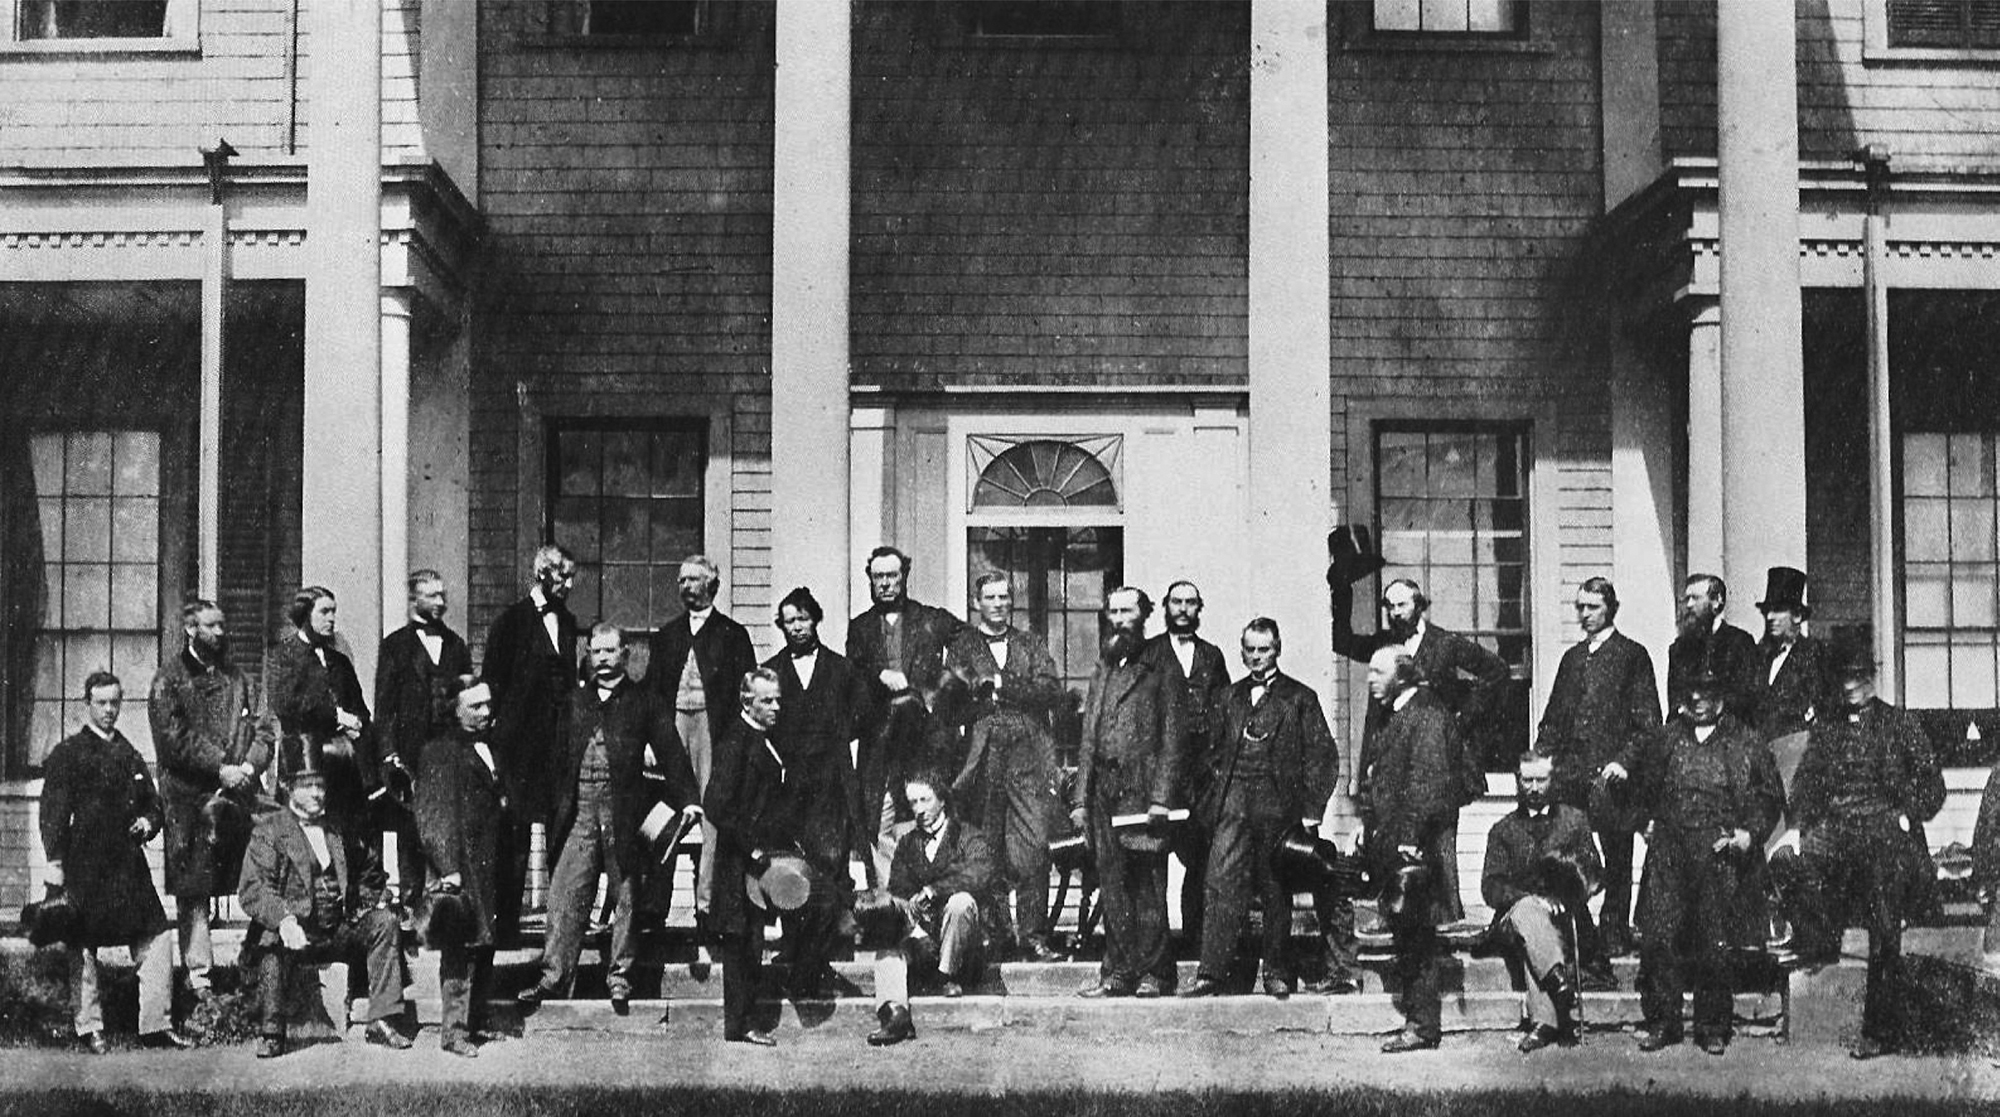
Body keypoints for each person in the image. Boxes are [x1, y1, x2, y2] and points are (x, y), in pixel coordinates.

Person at [520, 624, 700, 1012]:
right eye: (595, 651)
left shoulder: (645, 701)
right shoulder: (573, 701)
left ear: (626, 654)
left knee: (627, 897)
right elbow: (552, 759)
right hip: (579, 812)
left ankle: (620, 978)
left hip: (623, 812)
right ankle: (553, 978)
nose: (602, 658)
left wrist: (688, 799)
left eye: (609, 651)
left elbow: (671, 751)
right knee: (565, 894)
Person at [1612, 670, 1783, 1055]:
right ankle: (1663, 1022)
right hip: (1669, 848)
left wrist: (1749, 834)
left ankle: (1712, 1027)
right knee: (1658, 936)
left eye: (1707, 691)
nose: (1698, 699)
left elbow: (1768, 796)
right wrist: (1645, 822)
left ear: (1721, 696)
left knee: (1714, 940)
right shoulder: (1667, 737)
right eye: (1692, 692)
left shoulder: (1745, 740)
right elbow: (1638, 787)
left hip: (1718, 848)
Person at [1785, 650, 1946, 1059]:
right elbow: (1805, 782)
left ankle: (1879, 1030)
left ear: (1872, 679)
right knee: (1797, 862)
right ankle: (1817, 945)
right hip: (1838, 830)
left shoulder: (1900, 724)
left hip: (1885, 832)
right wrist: (1800, 826)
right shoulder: (1828, 728)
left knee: (1885, 927)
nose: (1850, 685)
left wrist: (1909, 816)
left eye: (1857, 677)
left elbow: (1932, 784)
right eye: (1844, 677)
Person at [1183, 617, 1348, 999]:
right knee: (1220, 884)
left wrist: (1310, 811)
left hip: (1279, 809)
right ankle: (1211, 973)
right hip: (1233, 806)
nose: (1256, 657)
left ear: (1277, 650)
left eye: (1264, 650)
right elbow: (1207, 755)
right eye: (1250, 650)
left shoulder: (1299, 698)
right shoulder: (1228, 697)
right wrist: (1209, 806)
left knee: (1276, 891)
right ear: (1242, 652)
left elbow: (1324, 757)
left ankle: (1276, 973)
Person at [1332, 575, 1511, 924]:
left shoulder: (1445, 644)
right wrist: (1366, 765)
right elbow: (1371, 709)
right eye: (1389, 607)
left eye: (1402, 605)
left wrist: (1459, 721)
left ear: (1419, 605)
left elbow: (1497, 671)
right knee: (1398, 846)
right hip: (1396, 758)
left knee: (1440, 846)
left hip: (1439, 760)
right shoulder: (1384, 648)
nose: (1395, 613)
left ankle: (1447, 924)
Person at [39, 671, 190, 1054]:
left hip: (127, 867)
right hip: (86, 866)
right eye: (102, 703)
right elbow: (53, 814)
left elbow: (153, 803)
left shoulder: (129, 753)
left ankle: (155, 1024)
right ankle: (89, 1027)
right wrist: (55, 862)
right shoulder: (67, 754)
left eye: (115, 703)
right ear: (86, 704)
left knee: (156, 935)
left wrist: (149, 821)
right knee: (83, 945)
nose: (109, 710)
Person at [238, 739, 410, 1058]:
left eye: (320, 785)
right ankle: (272, 1031)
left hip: (334, 931)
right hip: (292, 935)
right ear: (288, 787)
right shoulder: (269, 830)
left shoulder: (337, 829)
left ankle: (383, 1018)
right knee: (269, 938)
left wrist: (376, 901)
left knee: (383, 923)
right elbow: (253, 889)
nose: (318, 793)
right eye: (308, 786)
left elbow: (369, 872)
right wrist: (286, 920)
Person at [1533, 576, 1662, 975]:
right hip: (1572, 776)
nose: (1584, 615)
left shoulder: (1632, 656)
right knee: (1568, 853)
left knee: (1617, 856)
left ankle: (1614, 931)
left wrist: (1624, 760)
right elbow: (1553, 719)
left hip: (1612, 780)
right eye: (1580, 607)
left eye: (1592, 607)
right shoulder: (1571, 659)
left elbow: (1648, 724)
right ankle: (1578, 932)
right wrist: (1541, 758)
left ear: (1611, 609)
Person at [150, 597, 274, 1002]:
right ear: (191, 629)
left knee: (262, 873)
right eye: (211, 626)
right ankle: (199, 978)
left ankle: (252, 963)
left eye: (222, 626)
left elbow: (265, 727)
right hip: (189, 800)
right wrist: (221, 766)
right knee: (195, 889)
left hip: (239, 794)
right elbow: (173, 740)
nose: (221, 633)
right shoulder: (169, 680)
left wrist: (250, 768)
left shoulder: (239, 679)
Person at [944, 573, 1066, 962]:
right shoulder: (963, 645)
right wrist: (975, 700)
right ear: (976, 602)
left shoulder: (1030, 643)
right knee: (987, 845)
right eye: (990, 598)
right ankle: (995, 937)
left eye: (1004, 597)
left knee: (1033, 843)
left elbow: (1050, 690)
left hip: (1026, 752)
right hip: (981, 755)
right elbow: (950, 702)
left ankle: (1033, 934)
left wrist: (1000, 682)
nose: (998, 604)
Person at [1069, 587, 1184, 998]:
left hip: (1142, 790)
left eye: (1127, 611)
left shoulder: (1161, 666)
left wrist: (1161, 798)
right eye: (1112, 611)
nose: (1118, 619)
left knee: (1148, 885)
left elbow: (1173, 738)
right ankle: (1117, 973)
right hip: (1104, 791)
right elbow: (1088, 736)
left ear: (1145, 615)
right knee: (1112, 884)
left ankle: (1156, 973)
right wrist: (1081, 798)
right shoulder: (1103, 665)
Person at [761, 586, 873, 997]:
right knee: (793, 866)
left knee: (828, 862)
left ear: (816, 620)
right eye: (789, 621)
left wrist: (837, 737)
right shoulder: (772, 670)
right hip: (790, 784)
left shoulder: (841, 670)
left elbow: (863, 714)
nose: (797, 628)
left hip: (830, 782)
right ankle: (794, 947)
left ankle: (824, 952)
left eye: (803, 619)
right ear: (781, 626)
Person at [647, 553, 757, 922]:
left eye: (693, 579)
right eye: (681, 580)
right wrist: (651, 740)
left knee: (713, 812)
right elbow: (652, 692)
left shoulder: (733, 635)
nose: (685, 586)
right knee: (668, 810)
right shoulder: (667, 636)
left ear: (713, 585)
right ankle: (655, 905)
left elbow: (746, 691)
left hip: (715, 733)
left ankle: (708, 906)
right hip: (672, 730)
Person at [848, 546, 967, 884]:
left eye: (892, 576)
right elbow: (852, 672)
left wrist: (940, 690)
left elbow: (970, 644)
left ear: (904, 577)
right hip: (880, 746)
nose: (885, 583)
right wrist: (879, 675)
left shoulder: (930, 619)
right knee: (881, 824)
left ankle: (926, 905)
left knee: (925, 818)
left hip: (924, 742)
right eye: (878, 577)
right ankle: (891, 911)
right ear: (870, 580)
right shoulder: (860, 628)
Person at [481, 544, 581, 941]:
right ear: (543, 574)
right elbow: (493, 683)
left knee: (559, 830)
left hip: (559, 747)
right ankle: (505, 926)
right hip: (517, 749)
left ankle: (560, 926)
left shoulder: (569, 622)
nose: (570, 585)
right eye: (564, 577)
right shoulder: (510, 622)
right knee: (515, 837)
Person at [1361, 647, 1456, 1053]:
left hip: (1416, 849)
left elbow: (1427, 783)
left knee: (1417, 939)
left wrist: (1409, 841)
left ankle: (1423, 1025)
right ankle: (1418, 1021)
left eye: (1378, 671)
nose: (1370, 679)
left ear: (1401, 675)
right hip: (1397, 842)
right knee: (1408, 937)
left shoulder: (1426, 714)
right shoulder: (1398, 714)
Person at [416, 676, 516, 1058]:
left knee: (484, 944)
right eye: (476, 706)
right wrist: (447, 867)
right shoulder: (440, 751)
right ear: (454, 710)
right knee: (460, 948)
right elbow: (432, 814)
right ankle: (453, 1032)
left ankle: (474, 1023)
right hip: (462, 865)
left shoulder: (491, 745)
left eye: (488, 704)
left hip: (490, 863)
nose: (486, 712)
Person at [866, 770, 996, 1046]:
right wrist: (912, 930)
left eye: (925, 800)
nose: (919, 809)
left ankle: (946, 976)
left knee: (961, 902)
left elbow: (980, 873)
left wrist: (934, 890)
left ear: (942, 801)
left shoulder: (968, 836)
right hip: (923, 940)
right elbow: (899, 890)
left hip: (963, 950)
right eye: (913, 802)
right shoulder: (908, 842)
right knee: (889, 940)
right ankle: (895, 1015)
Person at [1481, 752, 1599, 1052]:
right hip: (1515, 921)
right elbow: (1491, 886)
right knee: (1530, 915)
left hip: (1565, 917)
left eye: (1541, 779)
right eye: (1527, 780)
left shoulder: (1575, 821)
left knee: (1535, 940)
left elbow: (1595, 874)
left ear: (1553, 780)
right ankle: (1559, 985)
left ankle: (1545, 1021)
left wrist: (1567, 896)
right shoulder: (1502, 829)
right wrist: (1531, 900)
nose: (1533, 787)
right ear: (1517, 781)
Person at [1137, 580, 1229, 948]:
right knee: (1153, 860)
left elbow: (1225, 710)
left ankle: (1196, 939)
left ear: (1199, 608)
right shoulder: (1150, 654)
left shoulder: (1212, 656)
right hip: (1160, 775)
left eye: (1191, 603)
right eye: (1177, 602)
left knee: (1203, 857)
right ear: (1165, 607)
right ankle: (1156, 949)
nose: (1183, 609)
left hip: (1202, 776)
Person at [705, 668, 794, 1046]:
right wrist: (752, 849)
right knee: (741, 943)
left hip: (760, 861)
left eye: (777, 699)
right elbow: (715, 804)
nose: (776, 706)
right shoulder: (735, 742)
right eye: (766, 700)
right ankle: (739, 1025)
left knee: (752, 940)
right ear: (747, 702)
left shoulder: (764, 737)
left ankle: (744, 1021)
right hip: (740, 863)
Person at [374, 569, 473, 897]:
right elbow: (384, 707)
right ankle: (411, 909)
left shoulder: (457, 645)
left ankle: (445, 915)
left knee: (446, 830)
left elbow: (467, 701)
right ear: (414, 599)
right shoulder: (395, 646)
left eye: (443, 595)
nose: (441, 602)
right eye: (432, 595)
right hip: (410, 756)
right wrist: (389, 755)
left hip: (447, 753)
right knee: (411, 833)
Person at [266, 586, 378, 833]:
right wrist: (337, 716)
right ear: (306, 615)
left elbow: (359, 708)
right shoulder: (283, 655)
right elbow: (286, 705)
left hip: (343, 763)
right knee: (305, 832)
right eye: (324, 611)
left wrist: (358, 724)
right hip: (303, 760)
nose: (331, 618)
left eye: (334, 612)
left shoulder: (339, 661)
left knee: (347, 831)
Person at [1666, 574, 1762, 723]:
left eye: (1696, 598)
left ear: (1717, 601)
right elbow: (1675, 704)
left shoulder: (1740, 643)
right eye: (1687, 599)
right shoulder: (1679, 649)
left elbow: (1747, 699)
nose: (1689, 605)